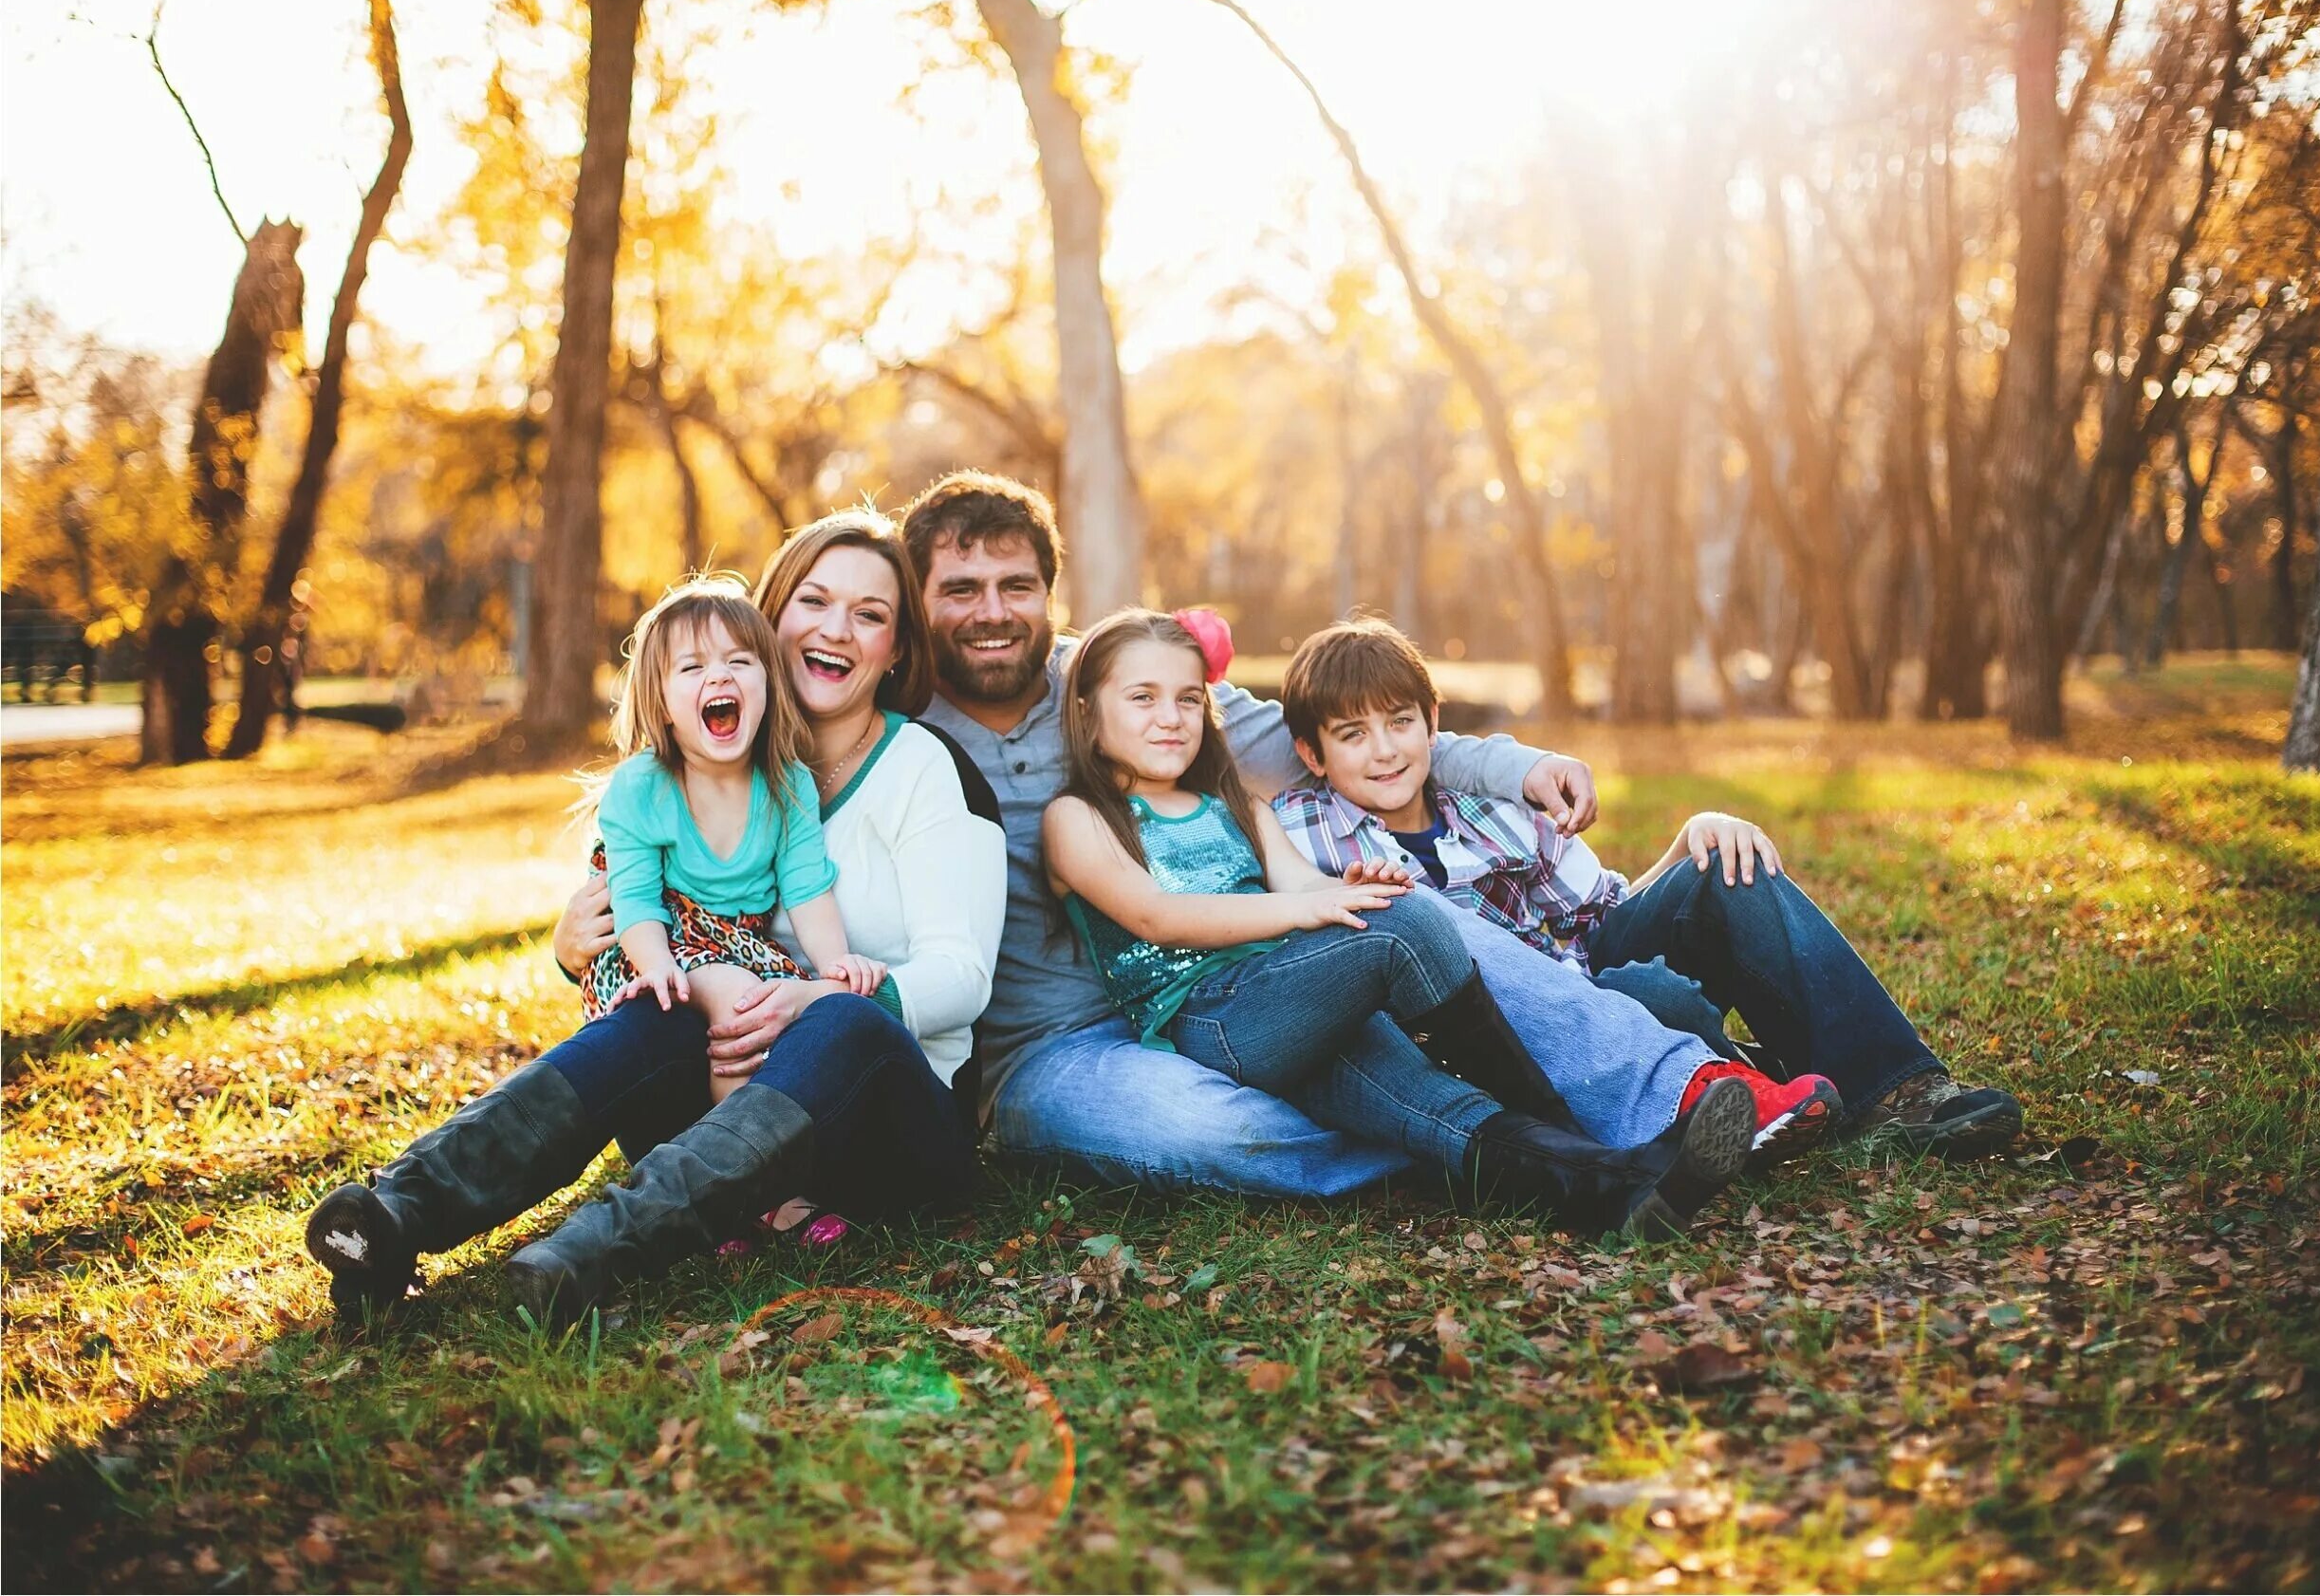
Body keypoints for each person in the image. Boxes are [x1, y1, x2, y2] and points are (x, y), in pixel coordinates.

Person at [867, 472, 1723, 1195]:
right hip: (1056, 1049)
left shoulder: (1130, 676)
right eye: (960, 589)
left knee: (1407, 911)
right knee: (1220, 1127)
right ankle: (1510, 1149)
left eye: (1015, 586)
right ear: (918, 600)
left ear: (1049, 594)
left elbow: (1348, 738)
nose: (993, 611)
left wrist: (1512, 768)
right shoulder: (897, 724)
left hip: (1243, 983)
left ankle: (1675, 1093)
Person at [305, 512, 1004, 1325]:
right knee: (661, 1008)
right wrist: (575, 952)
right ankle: (397, 1213)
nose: (837, 630)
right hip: (740, 1098)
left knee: (843, 1022)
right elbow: (643, 916)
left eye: (871, 614)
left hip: (888, 1123)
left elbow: (964, 979)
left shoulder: (927, 769)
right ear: (770, 622)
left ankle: (590, 1252)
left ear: (896, 649)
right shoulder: (711, 767)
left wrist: (817, 999)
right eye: (813, 601)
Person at [1044, 608, 1753, 1235]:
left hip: (1295, 1002)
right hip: (1211, 1020)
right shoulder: (1076, 818)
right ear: (1086, 709)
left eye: (1188, 699)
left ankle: (1615, 1191)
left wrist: (1354, 887)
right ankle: (1580, 1126)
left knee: (1431, 1104)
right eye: (1143, 698)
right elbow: (1158, 915)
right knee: (1406, 924)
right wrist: (1314, 907)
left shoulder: (1238, 805)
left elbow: (1306, 885)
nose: (1170, 717)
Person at [1270, 615, 2025, 1160]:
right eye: (1352, 733)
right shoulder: (1299, 827)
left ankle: (1896, 1092)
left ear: (1433, 722)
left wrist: (1691, 839)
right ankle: (1748, 1088)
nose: (1385, 750)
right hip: (1497, 1034)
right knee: (1658, 1000)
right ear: (1311, 751)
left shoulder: (1492, 803)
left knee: (1724, 863)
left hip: (1587, 968)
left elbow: (1604, 912)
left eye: (1400, 722)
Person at [580, 578, 888, 1098]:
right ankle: (738, 1168)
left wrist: (835, 968)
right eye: (693, 666)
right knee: (742, 1000)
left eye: (740, 661)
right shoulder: (642, 786)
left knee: (788, 1008)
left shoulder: (788, 784)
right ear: (661, 700)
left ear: (768, 684)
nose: (720, 674)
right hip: (652, 947)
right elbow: (633, 898)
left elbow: (807, 889)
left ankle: (760, 1145)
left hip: (745, 948)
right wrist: (657, 966)